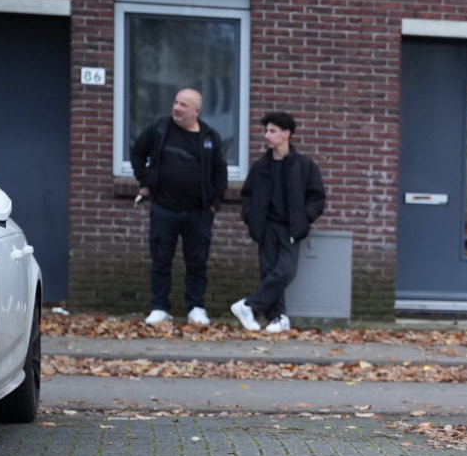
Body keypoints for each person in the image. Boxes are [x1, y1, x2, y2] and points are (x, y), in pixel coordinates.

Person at [130, 88, 228, 326]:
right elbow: (137, 152)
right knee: (161, 260)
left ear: (196, 111)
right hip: (164, 209)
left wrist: (215, 204)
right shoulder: (160, 129)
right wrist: (145, 182)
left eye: (183, 105)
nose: (176, 108)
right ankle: (160, 307)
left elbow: (219, 172)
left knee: (197, 262)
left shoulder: (209, 138)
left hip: (199, 213)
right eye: (175, 102)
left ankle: (196, 308)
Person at [231, 111, 326, 334]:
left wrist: (304, 218)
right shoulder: (260, 167)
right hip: (265, 228)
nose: (267, 135)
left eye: (272, 131)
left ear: (286, 134)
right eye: (266, 131)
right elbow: (247, 195)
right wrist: (251, 217)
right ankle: (278, 317)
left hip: (291, 227)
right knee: (269, 271)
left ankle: (249, 306)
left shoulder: (304, 166)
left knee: (285, 271)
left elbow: (317, 197)